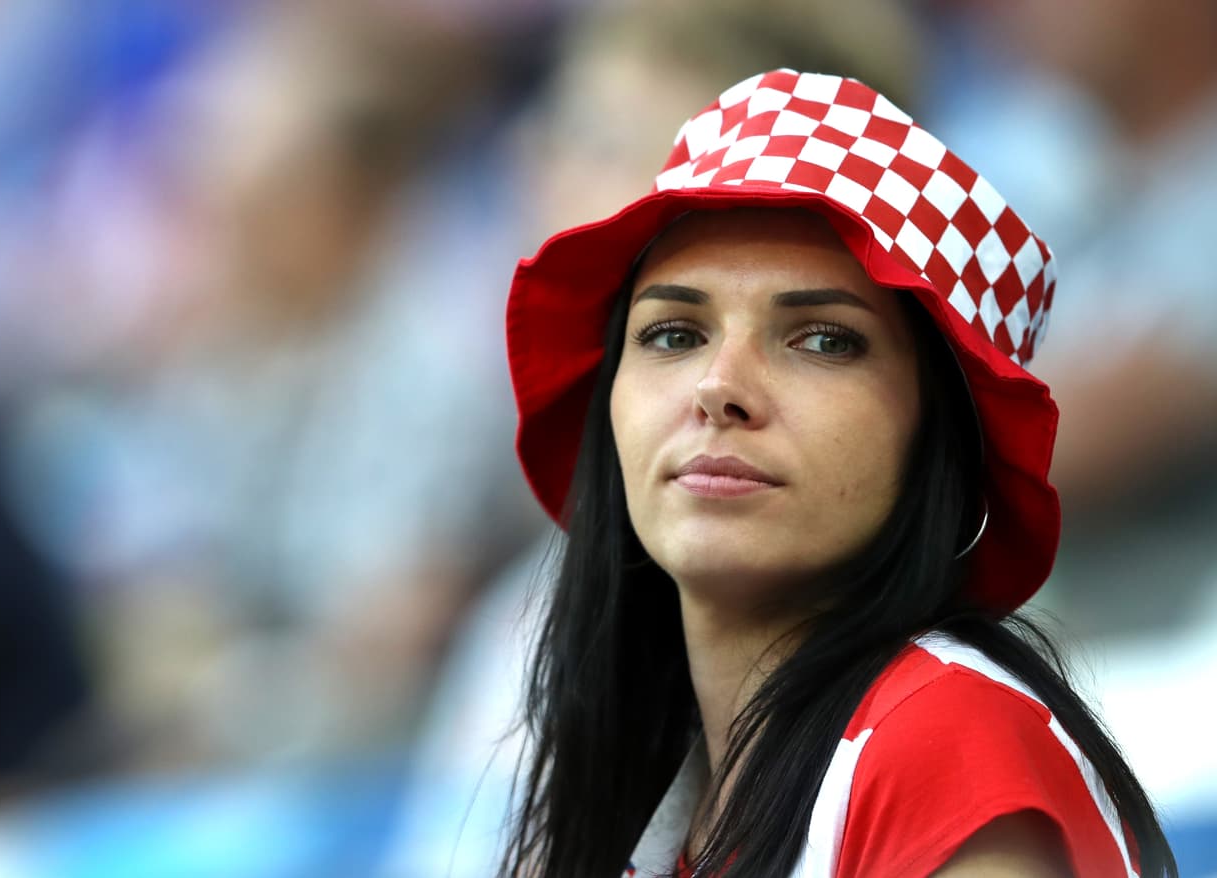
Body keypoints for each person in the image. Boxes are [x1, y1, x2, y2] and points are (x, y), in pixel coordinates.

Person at [500, 69, 1177, 877]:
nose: (720, 388)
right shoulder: (656, 793)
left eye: (825, 340)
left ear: (943, 437)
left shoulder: (949, 738)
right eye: (673, 334)